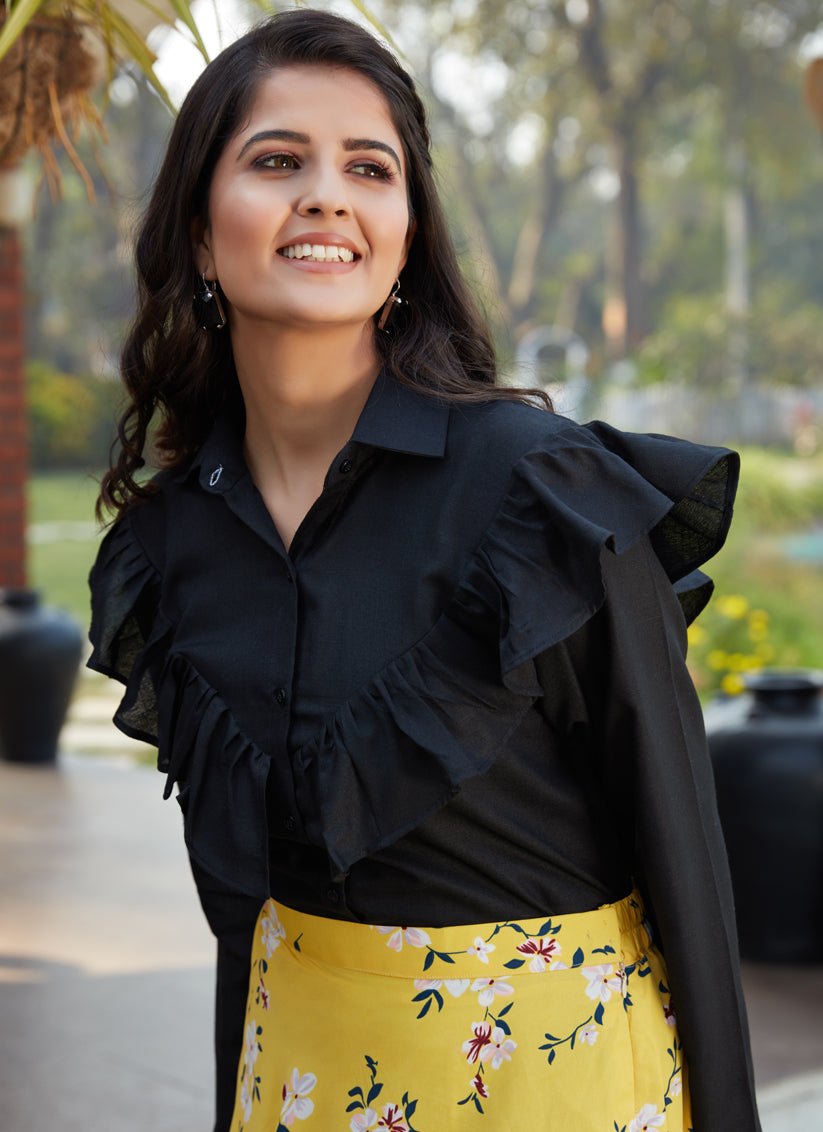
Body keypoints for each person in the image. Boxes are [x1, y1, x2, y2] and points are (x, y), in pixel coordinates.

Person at [88, 10, 761, 1131]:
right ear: (202, 237)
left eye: (369, 166)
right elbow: (241, 920)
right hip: (294, 1085)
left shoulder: (541, 492)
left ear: (404, 234)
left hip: (558, 1091)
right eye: (275, 160)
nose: (326, 193)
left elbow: (684, 853)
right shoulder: (172, 551)